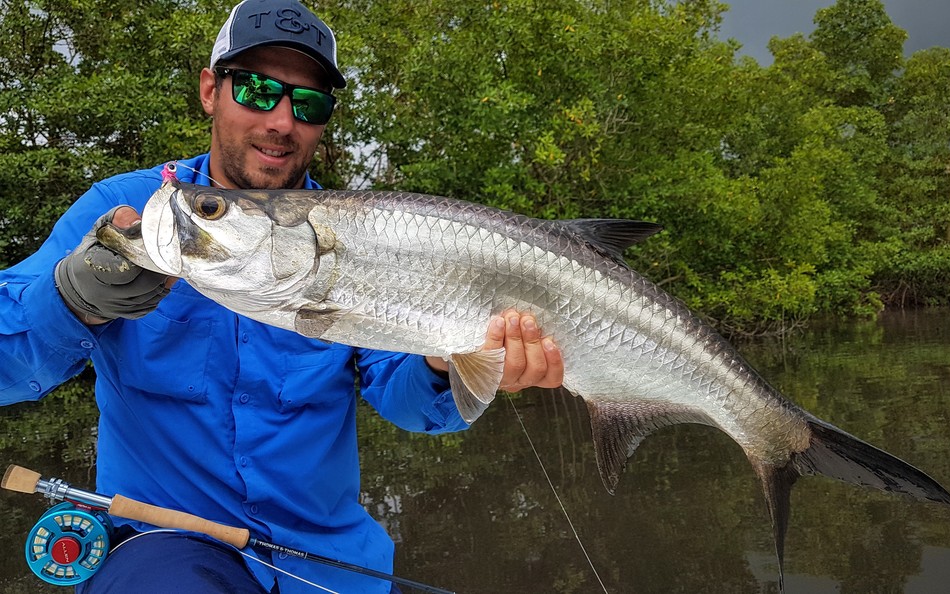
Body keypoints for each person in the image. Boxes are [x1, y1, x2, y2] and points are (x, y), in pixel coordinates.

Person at [0, 1, 563, 593]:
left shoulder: (359, 236)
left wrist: (447, 361)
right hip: (165, 550)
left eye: (309, 102)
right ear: (210, 90)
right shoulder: (129, 212)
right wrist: (72, 298)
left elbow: (407, 402)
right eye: (258, 90)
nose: (282, 121)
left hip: (331, 560)